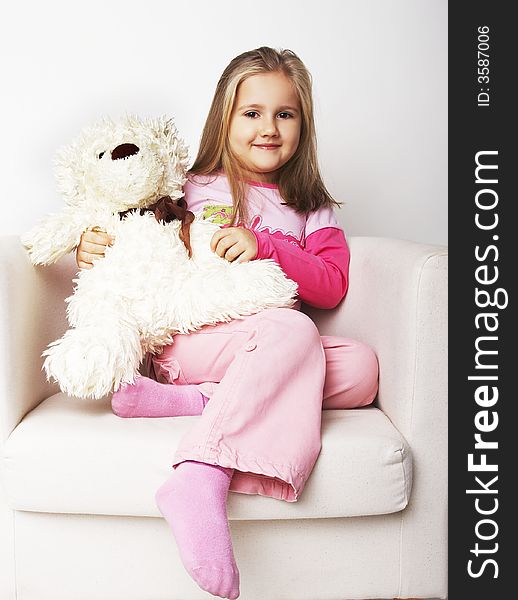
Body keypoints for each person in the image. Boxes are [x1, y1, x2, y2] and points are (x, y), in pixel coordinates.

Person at [76, 47, 378, 600]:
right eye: (252, 113)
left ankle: (201, 401)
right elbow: (135, 235)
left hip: (267, 347)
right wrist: (91, 245)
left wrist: (266, 245)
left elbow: (332, 283)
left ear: (303, 125)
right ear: (225, 118)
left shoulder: (312, 206)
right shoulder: (191, 186)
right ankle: (201, 474)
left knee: (360, 368)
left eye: (284, 114)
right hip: (193, 342)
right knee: (294, 332)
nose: (269, 128)